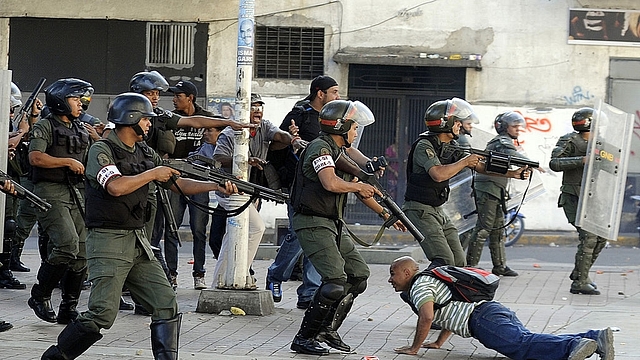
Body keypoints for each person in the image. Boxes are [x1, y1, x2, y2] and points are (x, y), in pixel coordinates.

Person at [40, 92, 238, 360]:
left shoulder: (145, 152)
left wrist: (216, 186)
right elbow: (115, 186)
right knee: (102, 314)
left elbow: (176, 184)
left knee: (165, 302)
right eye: (146, 119)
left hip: (137, 242)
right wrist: (153, 174)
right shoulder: (102, 150)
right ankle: (56, 357)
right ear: (130, 119)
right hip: (108, 242)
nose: (149, 124)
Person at [289, 99, 405, 355]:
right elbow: (331, 183)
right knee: (335, 282)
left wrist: (387, 214)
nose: (356, 132)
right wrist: (358, 185)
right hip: (313, 222)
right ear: (340, 127)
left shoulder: (338, 152)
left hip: (332, 222)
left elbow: (364, 188)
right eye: (354, 127)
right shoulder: (321, 149)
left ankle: (327, 329)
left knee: (358, 276)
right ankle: (304, 338)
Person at [128, 71, 247, 291]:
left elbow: (194, 121)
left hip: (169, 179)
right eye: (150, 93)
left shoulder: (161, 116)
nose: (156, 98)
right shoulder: (124, 119)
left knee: (195, 229)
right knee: (156, 233)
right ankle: (161, 277)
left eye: (156, 93)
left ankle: (169, 280)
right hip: (139, 183)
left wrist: (229, 122)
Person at [388, 256, 614, 360]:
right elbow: (451, 306)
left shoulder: (418, 287)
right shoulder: (430, 280)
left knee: (522, 347)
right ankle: (594, 337)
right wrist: (438, 342)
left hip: (482, 320)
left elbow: (427, 317)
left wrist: (414, 348)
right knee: (527, 339)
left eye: (392, 273)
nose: (390, 279)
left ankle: (575, 345)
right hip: (490, 311)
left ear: (407, 272)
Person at [402, 98, 529, 268]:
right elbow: (438, 174)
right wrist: (465, 162)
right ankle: (421, 291)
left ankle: (452, 293)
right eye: (457, 123)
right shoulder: (425, 145)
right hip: (419, 210)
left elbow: (480, 166)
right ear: (445, 124)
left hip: (437, 209)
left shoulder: (450, 146)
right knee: (444, 260)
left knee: (459, 262)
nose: (459, 126)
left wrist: (512, 173)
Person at [213, 93, 305, 289]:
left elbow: (280, 135)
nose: (257, 110)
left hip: (252, 192)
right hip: (230, 191)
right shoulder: (230, 133)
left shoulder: (264, 126)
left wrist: (293, 140)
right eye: (252, 107)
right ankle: (239, 274)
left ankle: (221, 279)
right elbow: (219, 157)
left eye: (259, 106)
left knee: (234, 237)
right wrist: (244, 161)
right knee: (257, 228)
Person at [265, 75, 340, 309]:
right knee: (299, 233)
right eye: (334, 92)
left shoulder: (332, 118)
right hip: (299, 183)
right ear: (320, 93)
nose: (337, 96)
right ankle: (275, 276)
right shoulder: (299, 115)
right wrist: (292, 141)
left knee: (317, 234)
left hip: (322, 184)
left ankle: (309, 291)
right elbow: (277, 145)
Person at [27, 78, 94, 325]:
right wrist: (66, 162)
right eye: (76, 99)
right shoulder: (45, 125)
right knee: (67, 244)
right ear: (61, 101)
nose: (81, 104)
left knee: (82, 252)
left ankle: (69, 306)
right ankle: (40, 295)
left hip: (76, 192)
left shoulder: (80, 128)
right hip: (50, 190)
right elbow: (35, 157)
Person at [466, 111, 535, 276]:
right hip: (488, 188)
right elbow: (513, 155)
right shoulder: (502, 141)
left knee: (497, 229)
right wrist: (531, 163)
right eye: (514, 126)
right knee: (483, 228)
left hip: (495, 188)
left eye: (519, 126)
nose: (518, 129)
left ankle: (500, 266)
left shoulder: (505, 141)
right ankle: (470, 267)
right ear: (504, 127)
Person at [549, 108, 607, 295]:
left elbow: (612, 163)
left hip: (593, 197)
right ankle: (580, 282)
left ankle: (580, 273)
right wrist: (582, 160)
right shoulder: (569, 140)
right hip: (573, 195)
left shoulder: (600, 143)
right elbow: (555, 163)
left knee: (601, 236)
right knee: (589, 237)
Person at [165, 80, 216, 290]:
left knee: (198, 229)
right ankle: (171, 274)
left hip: (200, 180)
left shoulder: (207, 118)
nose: (174, 99)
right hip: (175, 180)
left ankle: (199, 274)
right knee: (171, 227)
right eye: (174, 96)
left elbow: (221, 137)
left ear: (190, 98)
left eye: (178, 95)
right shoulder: (170, 119)